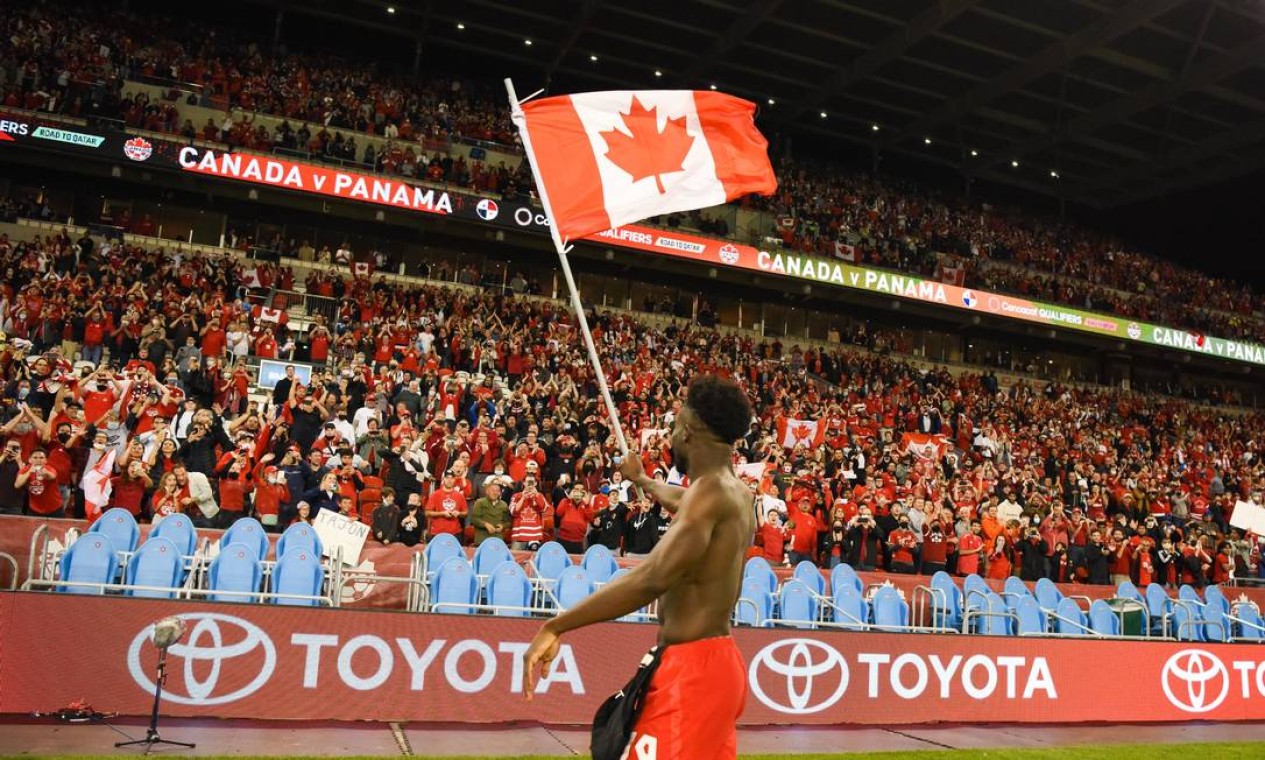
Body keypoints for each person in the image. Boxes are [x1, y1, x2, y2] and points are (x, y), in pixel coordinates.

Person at [522, 376, 753, 759]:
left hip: (694, 673)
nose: (671, 435)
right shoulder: (734, 491)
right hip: (714, 665)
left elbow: (652, 577)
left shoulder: (710, 494)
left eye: (676, 426)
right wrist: (643, 479)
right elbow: (682, 498)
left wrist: (556, 624)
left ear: (690, 430)